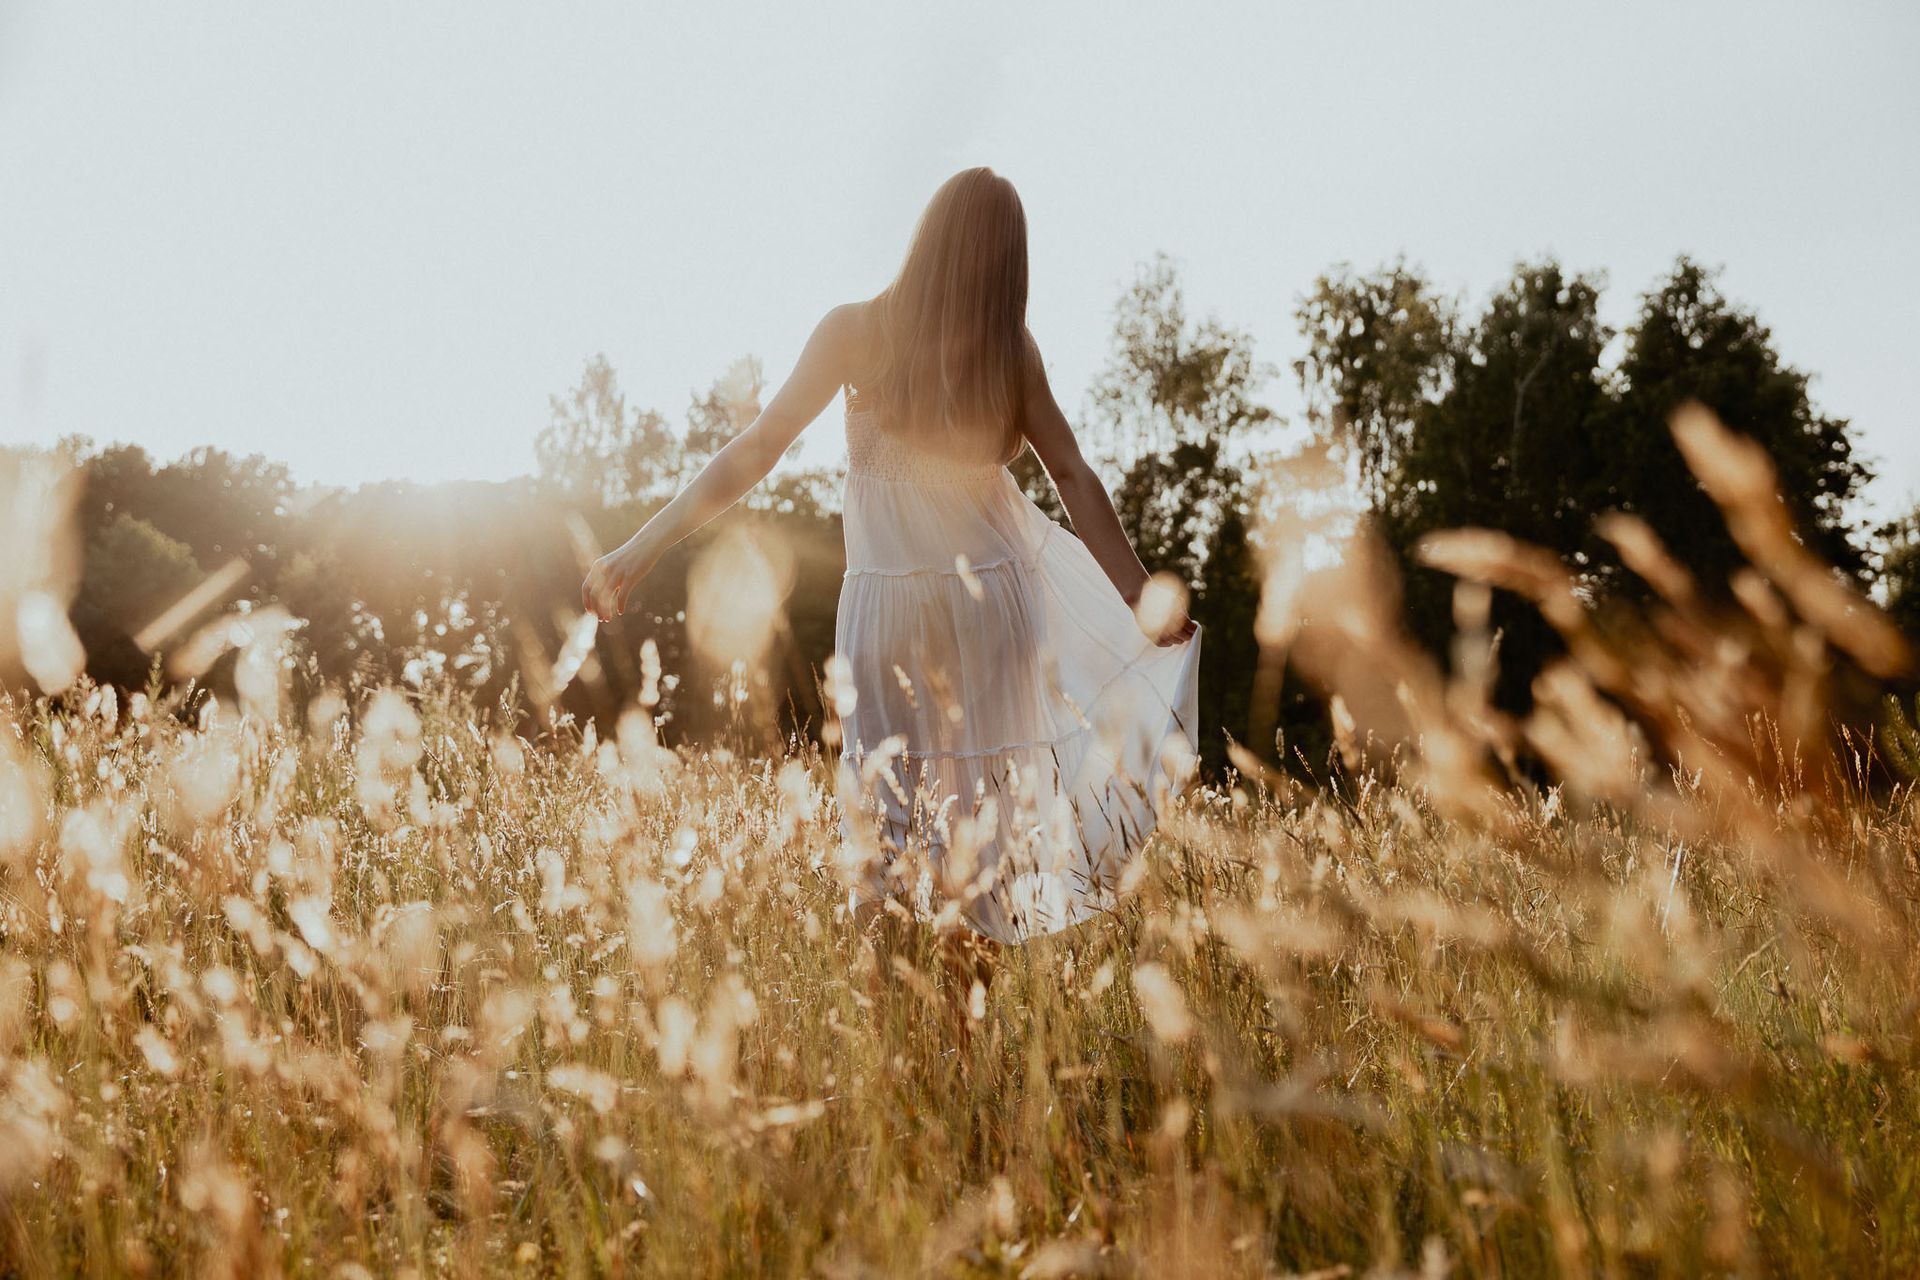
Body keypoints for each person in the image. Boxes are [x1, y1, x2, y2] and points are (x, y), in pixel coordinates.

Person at [583, 167, 1200, 972]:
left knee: (885, 832)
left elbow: (757, 451)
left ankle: (901, 1046)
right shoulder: (1011, 352)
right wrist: (1138, 596)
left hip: (888, 620)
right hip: (993, 612)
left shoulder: (856, 331)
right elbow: (1073, 475)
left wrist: (642, 544)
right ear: (1011, 266)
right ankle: (956, 1045)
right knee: (982, 836)